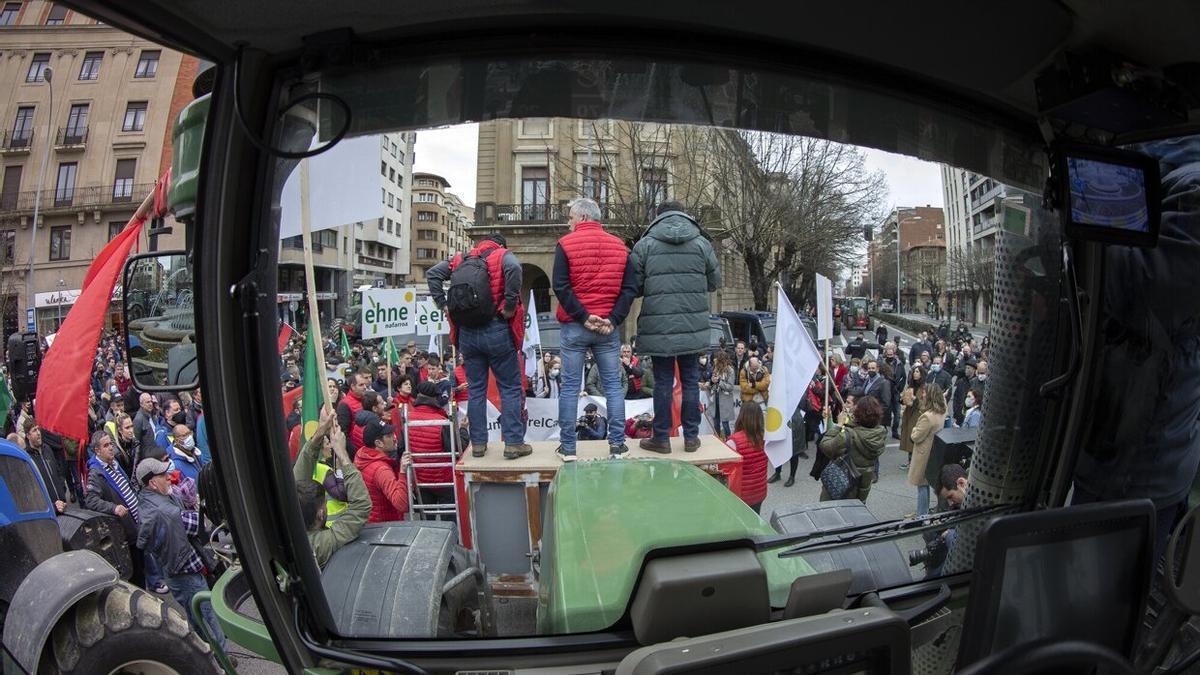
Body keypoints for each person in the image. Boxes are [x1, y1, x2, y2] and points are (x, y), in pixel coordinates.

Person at [427, 233, 531, 460]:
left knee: (476, 390)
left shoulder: (460, 259)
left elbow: (432, 274)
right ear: (500, 245)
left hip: (467, 334)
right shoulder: (502, 256)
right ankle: (513, 443)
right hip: (496, 329)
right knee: (510, 388)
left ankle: (478, 444)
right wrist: (511, 304)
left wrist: (443, 305)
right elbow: (514, 269)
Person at [628, 201, 721, 454]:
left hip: (659, 325)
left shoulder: (645, 245)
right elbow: (715, 282)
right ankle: (691, 437)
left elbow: (634, 287)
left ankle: (661, 438)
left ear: (658, 217)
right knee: (691, 380)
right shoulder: (702, 243)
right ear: (684, 215)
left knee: (662, 382)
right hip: (693, 325)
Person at [135, 457, 227, 652]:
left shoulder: (148, 499)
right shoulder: (165, 512)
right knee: (207, 619)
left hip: (176, 572)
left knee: (199, 618)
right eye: (163, 475)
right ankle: (222, 660)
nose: (169, 477)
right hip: (186, 577)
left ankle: (214, 654)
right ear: (152, 483)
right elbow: (201, 525)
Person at [294, 412, 370, 567]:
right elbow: (361, 505)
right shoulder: (319, 545)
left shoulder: (289, 527)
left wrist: (319, 434)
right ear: (321, 514)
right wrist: (342, 453)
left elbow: (297, 480)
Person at [85, 430, 144, 585]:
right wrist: (113, 508)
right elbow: (91, 500)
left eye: (110, 444)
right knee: (136, 570)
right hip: (125, 531)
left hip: (136, 523)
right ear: (97, 451)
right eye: (105, 446)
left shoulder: (114, 463)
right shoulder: (96, 473)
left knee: (144, 562)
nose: (111, 448)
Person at [818, 396, 887, 502]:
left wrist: (839, 424)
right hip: (862, 486)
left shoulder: (848, 435)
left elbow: (825, 445)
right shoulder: (880, 433)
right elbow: (860, 428)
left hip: (842, 484)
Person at [353, 418, 410, 523]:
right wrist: (402, 471)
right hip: (385, 528)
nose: (394, 438)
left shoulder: (362, 457)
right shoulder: (382, 470)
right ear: (378, 443)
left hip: (370, 524)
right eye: (389, 436)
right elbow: (401, 504)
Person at [908, 384, 947, 516]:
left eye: (925, 393)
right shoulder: (942, 410)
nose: (922, 395)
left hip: (923, 454)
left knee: (922, 485)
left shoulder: (927, 417)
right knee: (930, 483)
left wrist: (914, 429)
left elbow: (916, 436)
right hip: (934, 452)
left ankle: (921, 514)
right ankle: (928, 511)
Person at [725, 404, 768, 514]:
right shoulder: (766, 438)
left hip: (741, 494)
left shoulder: (733, 442)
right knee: (755, 520)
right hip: (759, 492)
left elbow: (725, 469)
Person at [24, 419, 67, 514]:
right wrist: (52, 505)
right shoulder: (27, 458)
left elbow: (58, 471)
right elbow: (32, 491)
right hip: (48, 511)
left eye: (38, 429)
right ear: (28, 436)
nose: (38, 433)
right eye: (34, 430)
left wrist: (62, 492)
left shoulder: (47, 449)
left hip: (63, 505)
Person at [898, 364, 927, 470]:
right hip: (909, 414)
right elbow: (904, 399)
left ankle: (914, 463)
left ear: (922, 374)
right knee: (909, 438)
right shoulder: (910, 386)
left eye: (918, 372)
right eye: (914, 371)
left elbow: (924, 403)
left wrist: (915, 399)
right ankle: (910, 461)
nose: (915, 373)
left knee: (915, 438)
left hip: (917, 416)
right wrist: (902, 398)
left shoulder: (924, 387)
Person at [336, 370, 371, 441]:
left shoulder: (367, 399)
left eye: (365, 384)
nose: (365, 387)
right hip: (355, 446)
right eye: (361, 385)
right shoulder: (344, 404)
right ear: (353, 386)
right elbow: (343, 433)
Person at [709, 350, 737, 438]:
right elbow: (712, 384)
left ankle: (728, 440)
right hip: (715, 398)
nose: (715, 360)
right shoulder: (715, 369)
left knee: (725, 424)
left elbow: (730, 387)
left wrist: (719, 382)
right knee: (716, 422)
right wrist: (712, 382)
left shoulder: (730, 371)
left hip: (725, 400)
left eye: (717, 359)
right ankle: (717, 440)